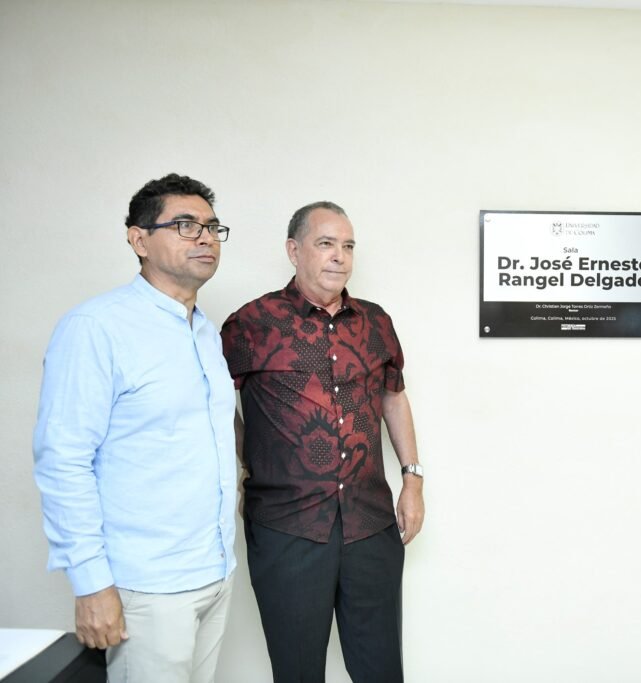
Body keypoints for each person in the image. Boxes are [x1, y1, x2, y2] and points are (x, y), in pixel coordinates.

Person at [33, 173, 238, 683]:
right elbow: (63, 460)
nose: (205, 238)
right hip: (145, 586)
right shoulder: (96, 327)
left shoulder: (205, 331)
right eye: (186, 225)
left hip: (215, 571)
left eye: (212, 227)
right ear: (139, 239)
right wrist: (91, 585)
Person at [221, 201, 424, 683]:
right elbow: (215, 404)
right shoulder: (251, 323)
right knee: (297, 671)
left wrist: (412, 480)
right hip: (287, 525)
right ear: (294, 251)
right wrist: (247, 463)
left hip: (369, 522)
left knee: (381, 669)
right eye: (326, 244)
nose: (340, 256)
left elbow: (393, 396)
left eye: (348, 246)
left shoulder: (375, 322)